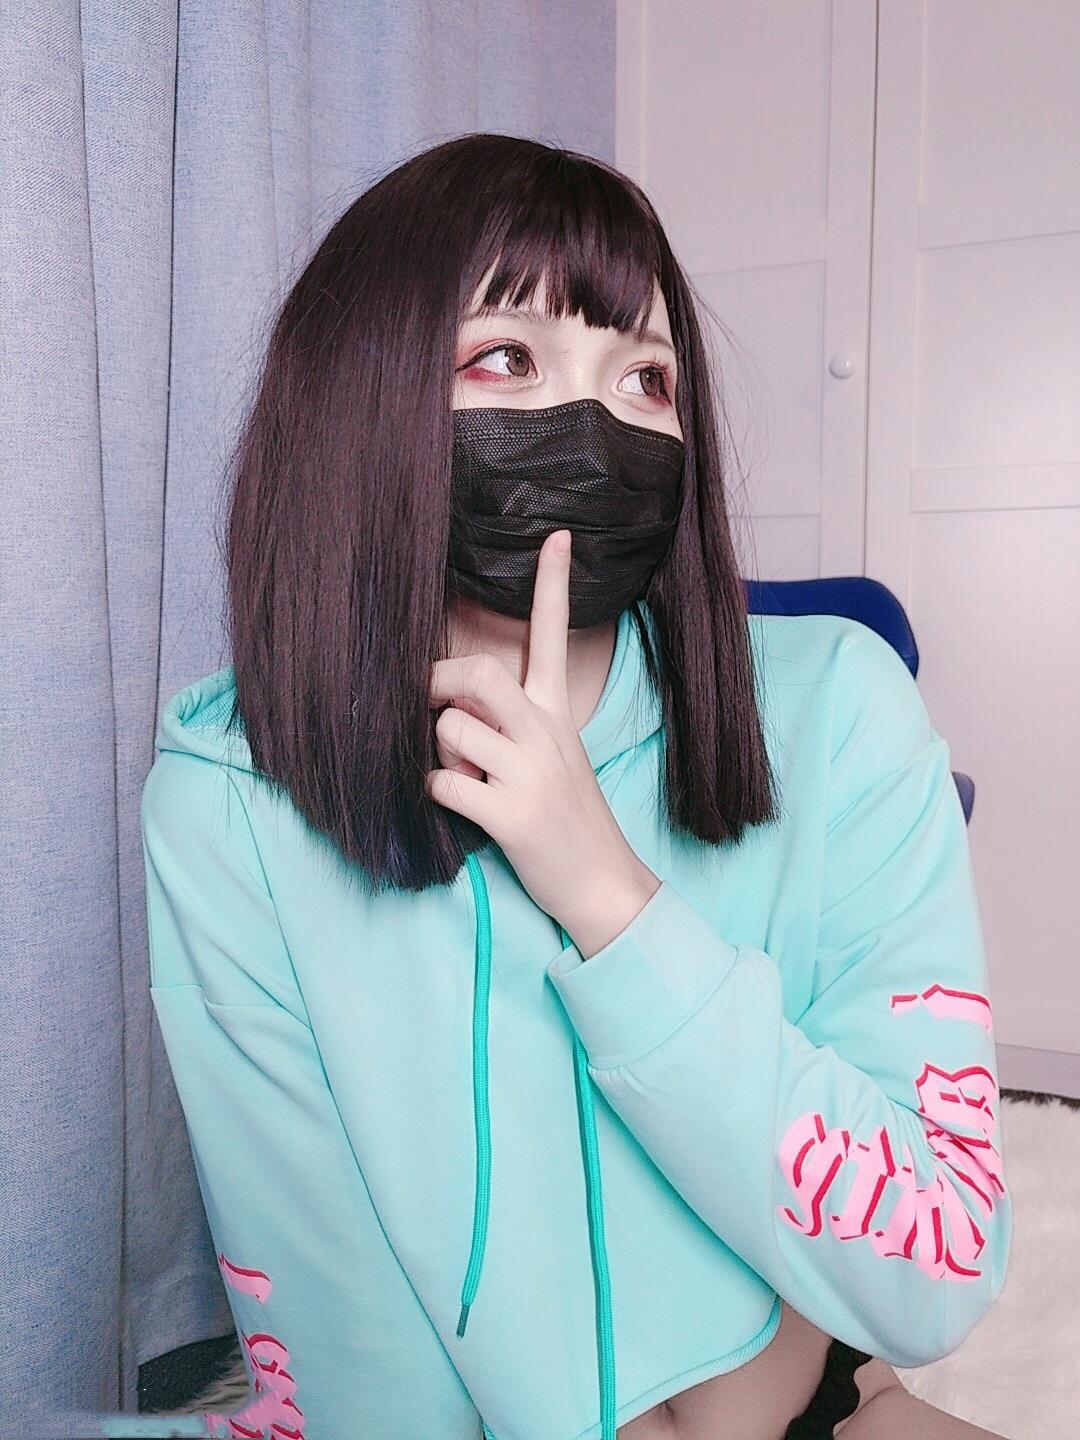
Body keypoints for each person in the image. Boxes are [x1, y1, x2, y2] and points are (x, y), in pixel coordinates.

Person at [140, 133, 1012, 1440]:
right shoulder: (228, 807)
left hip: (822, 1393)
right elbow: (346, 1334)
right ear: (361, 400)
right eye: (507, 357)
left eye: (646, 377)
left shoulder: (842, 705)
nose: (596, 425)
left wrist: (608, 896)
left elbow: (933, 1266)